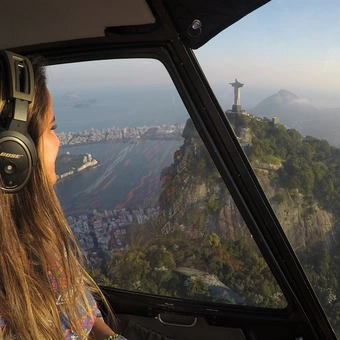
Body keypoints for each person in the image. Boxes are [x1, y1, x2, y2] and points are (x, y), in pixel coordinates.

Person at [0, 52, 127, 340]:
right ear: (14, 152)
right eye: (52, 128)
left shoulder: (36, 235)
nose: (59, 141)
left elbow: (86, 321)